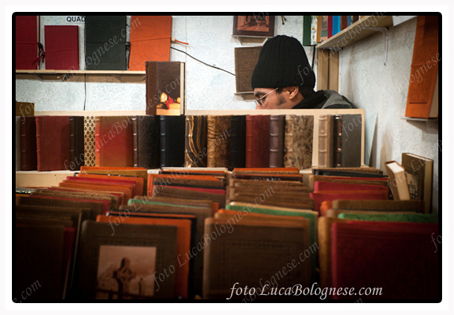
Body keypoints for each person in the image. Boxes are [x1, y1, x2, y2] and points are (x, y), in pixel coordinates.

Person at [251, 35, 356, 110]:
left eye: (263, 98)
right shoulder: (286, 119)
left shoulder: (335, 119)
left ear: (292, 91)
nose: (257, 109)